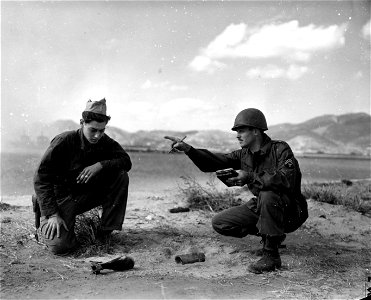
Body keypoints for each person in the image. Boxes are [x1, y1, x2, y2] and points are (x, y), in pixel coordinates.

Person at [165, 108, 308, 274]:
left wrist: (250, 177)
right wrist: (189, 149)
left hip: (291, 210)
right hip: (264, 206)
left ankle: (271, 256)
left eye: (241, 131)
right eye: (237, 132)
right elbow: (214, 162)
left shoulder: (280, 150)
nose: (237, 135)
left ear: (255, 131)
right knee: (220, 222)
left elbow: (285, 180)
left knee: (268, 194)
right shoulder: (243, 155)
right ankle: (272, 236)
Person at [33, 98, 132, 255]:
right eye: (93, 130)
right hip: (58, 199)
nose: (97, 135)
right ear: (82, 123)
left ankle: (104, 232)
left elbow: (126, 161)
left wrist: (100, 165)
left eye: (102, 130)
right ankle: (47, 220)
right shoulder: (64, 141)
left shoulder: (104, 141)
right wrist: (52, 214)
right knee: (60, 247)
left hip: (82, 196)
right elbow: (41, 179)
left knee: (120, 175)